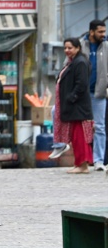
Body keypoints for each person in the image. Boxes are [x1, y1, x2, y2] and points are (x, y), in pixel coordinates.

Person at [54, 38, 94, 174]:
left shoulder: (80, 62)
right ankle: (80, 163)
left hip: (78, 106)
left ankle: (82, 165)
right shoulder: (73, 62)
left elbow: (81, 84)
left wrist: (71, 98)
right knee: (76, 136)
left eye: (70, 48)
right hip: (74, 106)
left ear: (77, 48)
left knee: (80, 136)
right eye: (65, 48)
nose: (67, 51)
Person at [79, 20, 107, 171]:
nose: (103, 35)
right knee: (81, 127)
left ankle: (98, 160)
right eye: (100, 32)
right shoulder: (80, 46)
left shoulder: (107, 45)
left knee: (100, 127)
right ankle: (83, 159)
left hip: (99, 93)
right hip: (81, 94)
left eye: (104, 31)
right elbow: (68, 66)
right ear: (91, 32)